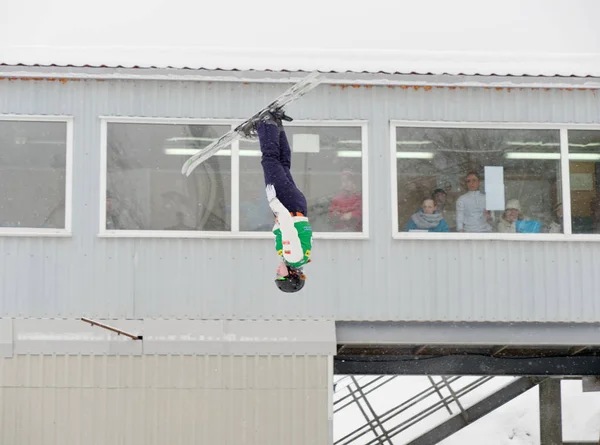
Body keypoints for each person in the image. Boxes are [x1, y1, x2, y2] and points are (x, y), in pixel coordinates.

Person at [254, 110, 313, 293]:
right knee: (270, 161)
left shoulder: (300, 258)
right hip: (287, 205)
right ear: (290, 274)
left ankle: (277, 126)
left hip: (297, 206)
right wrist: (274, 202)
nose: (277, 271)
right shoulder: (292, 257)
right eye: (279, 275)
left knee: (282, 163)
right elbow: (286, 225)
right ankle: (267, 124)